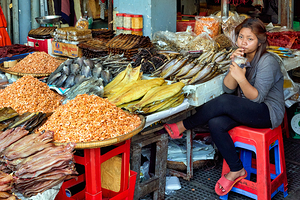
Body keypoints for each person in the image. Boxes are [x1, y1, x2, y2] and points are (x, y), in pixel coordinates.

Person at [163, 18, 284, 196]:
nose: (243, 42)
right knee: (216, 122)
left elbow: (257, 99)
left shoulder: (268, 61)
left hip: (266, 112)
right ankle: (237, 169)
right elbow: (228, 88)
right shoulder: (242, 57)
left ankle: (183, 125)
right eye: (241, 37)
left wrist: (241, 77)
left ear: (260, 42)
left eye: (250, 39)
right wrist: (234, 68)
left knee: (224, 102)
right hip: (247, 109)